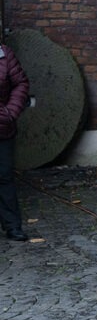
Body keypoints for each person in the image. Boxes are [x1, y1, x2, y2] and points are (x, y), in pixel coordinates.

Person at [0, 42, 30, 242]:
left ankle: (12, 226)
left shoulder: (4, 54)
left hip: (2, 128)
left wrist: (9, 113)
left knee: (4, 176)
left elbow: (21, 83)